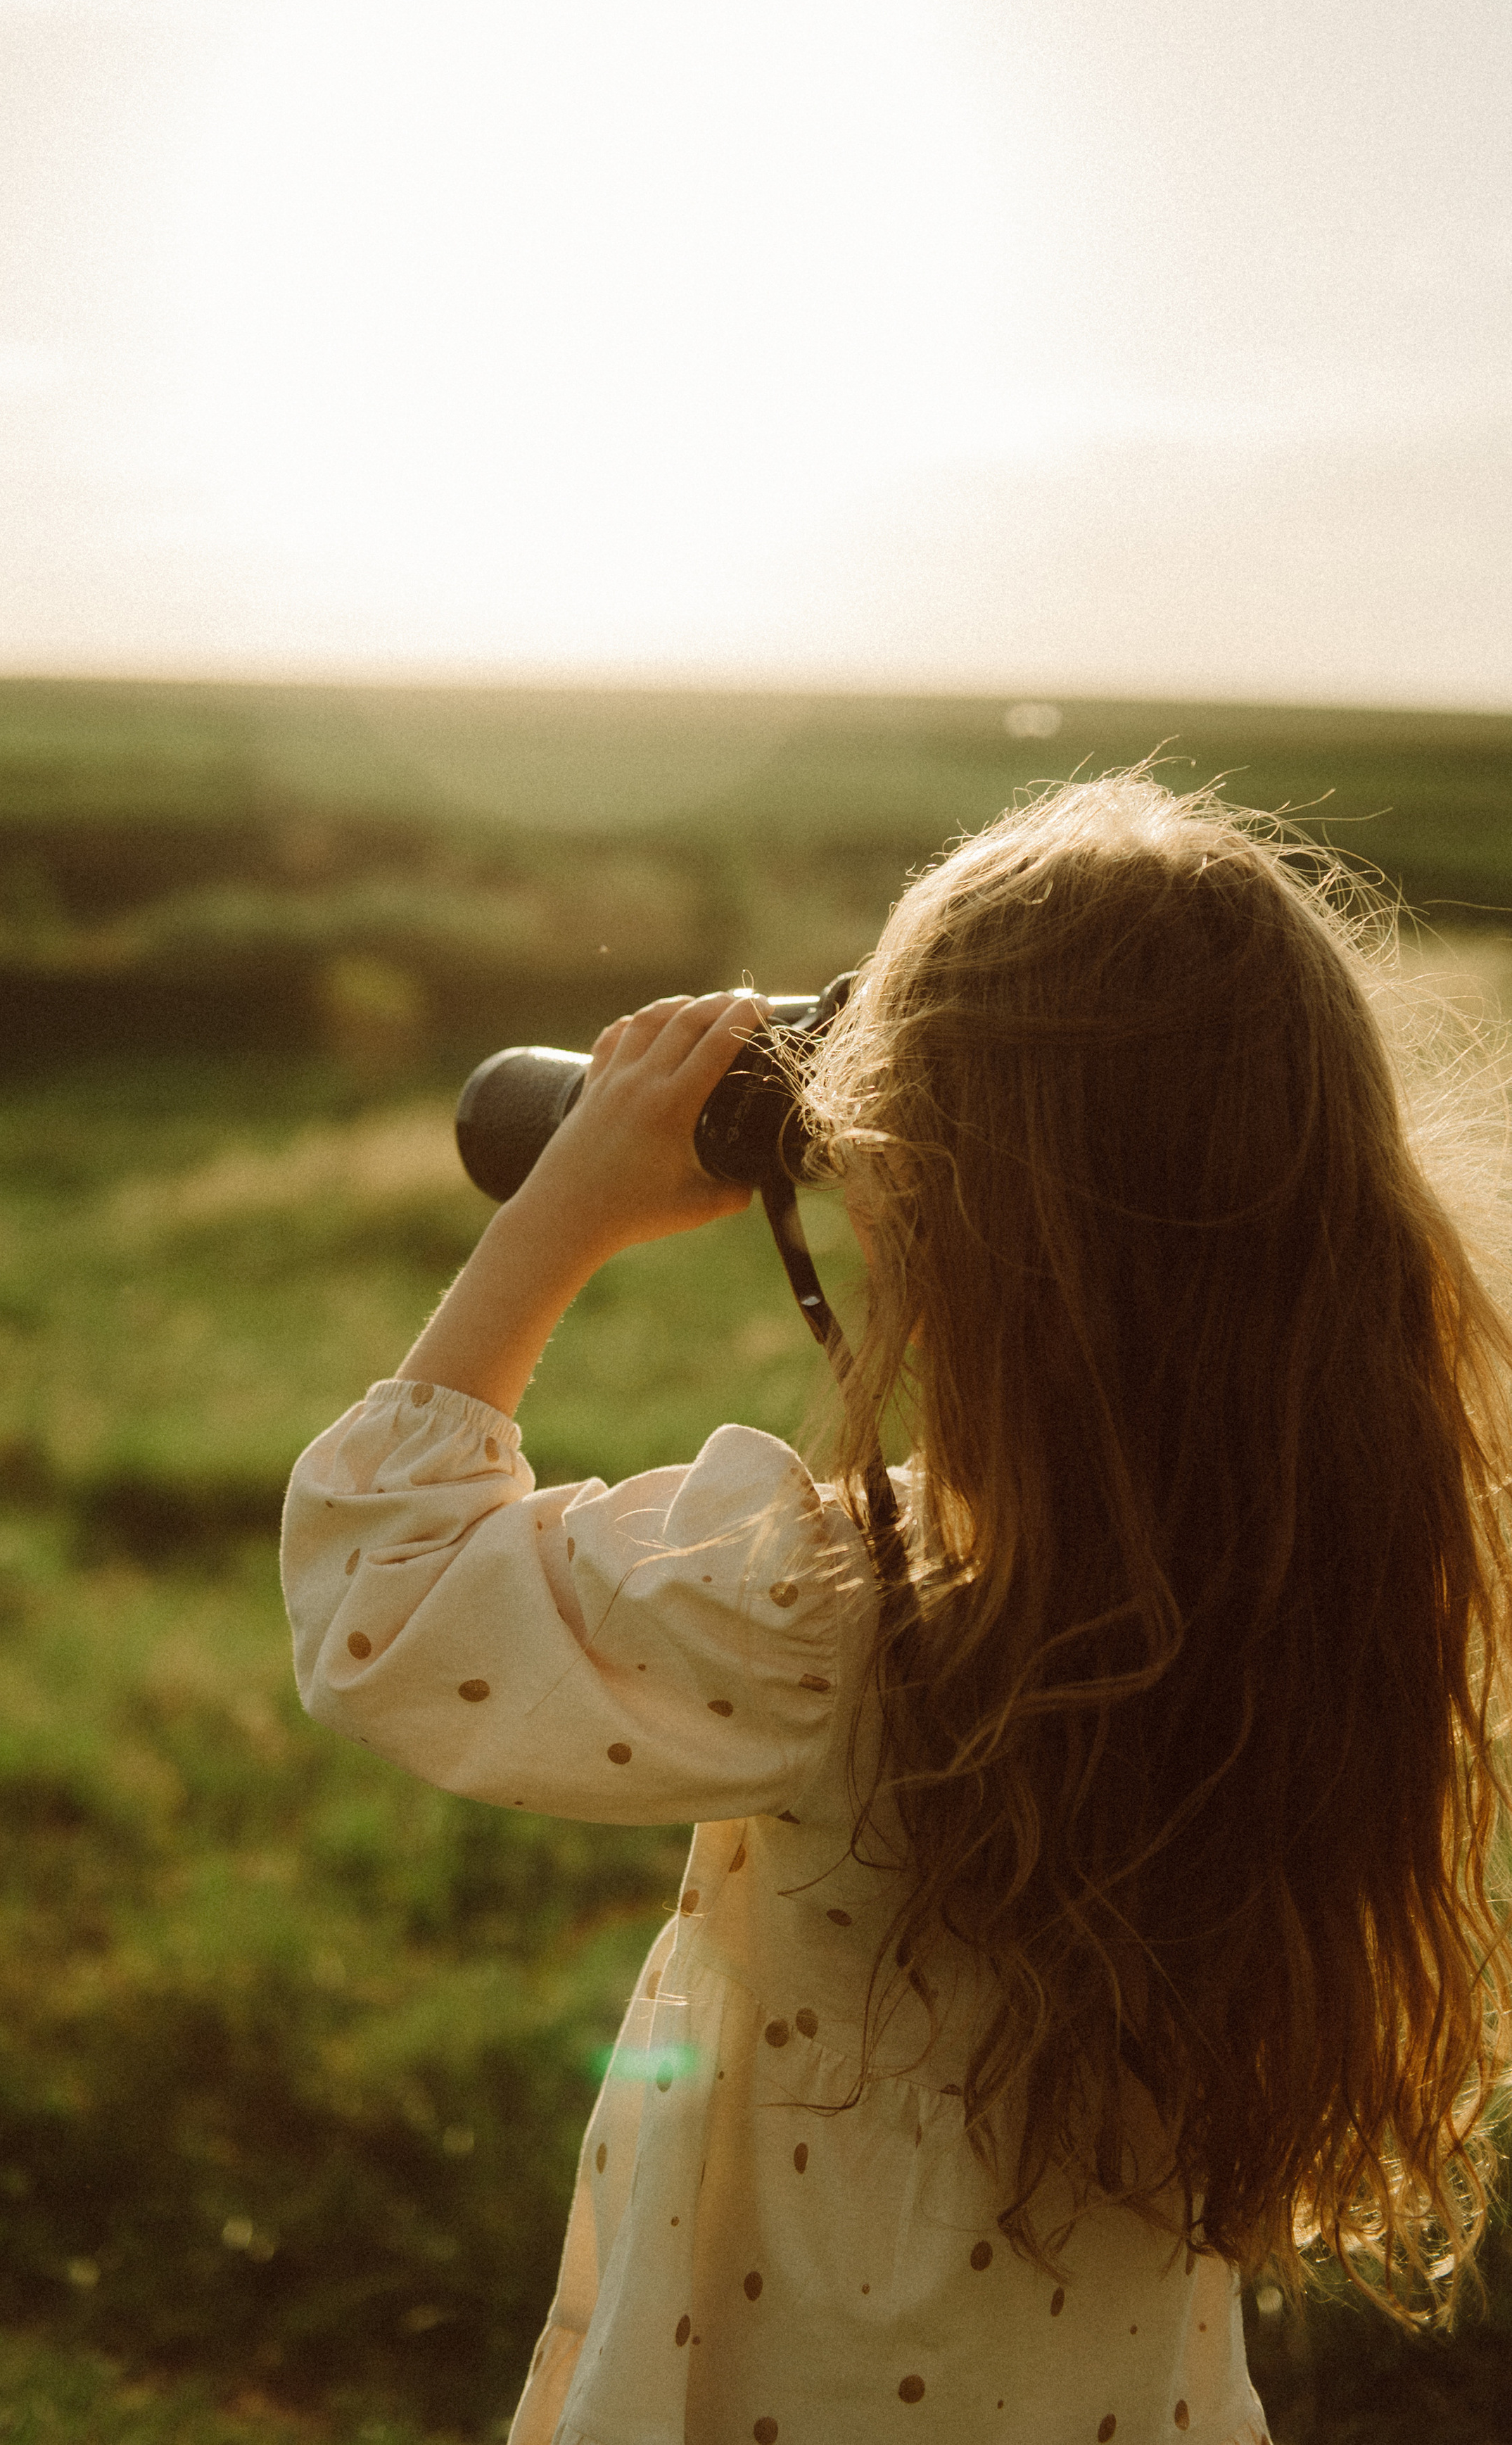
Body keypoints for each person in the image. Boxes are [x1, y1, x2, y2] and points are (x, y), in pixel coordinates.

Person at [280, 777, 1512, 2445]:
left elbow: (384, 1594)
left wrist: (560, 1206)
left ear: (927, 1200)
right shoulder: (1362, 1553)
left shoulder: (843, 1615)